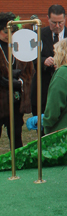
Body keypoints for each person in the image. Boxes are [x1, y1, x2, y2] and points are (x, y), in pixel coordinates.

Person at [31, 4, 67, 117]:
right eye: (53, 22)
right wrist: (43, 61)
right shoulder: (38, 36)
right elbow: (31, 58)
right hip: (43, 89)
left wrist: (65, 65)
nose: (57, 26)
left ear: (65, 19)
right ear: (48, 19)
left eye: (60, 22)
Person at [0, 13, 34, 148]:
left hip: (16, 100)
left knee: (16, 136)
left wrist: (20, 81)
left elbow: (29, 72)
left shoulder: (20, 47)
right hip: (1, 99)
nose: (9, 34)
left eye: (13, 31)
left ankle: (18, 166)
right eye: (5, 31)